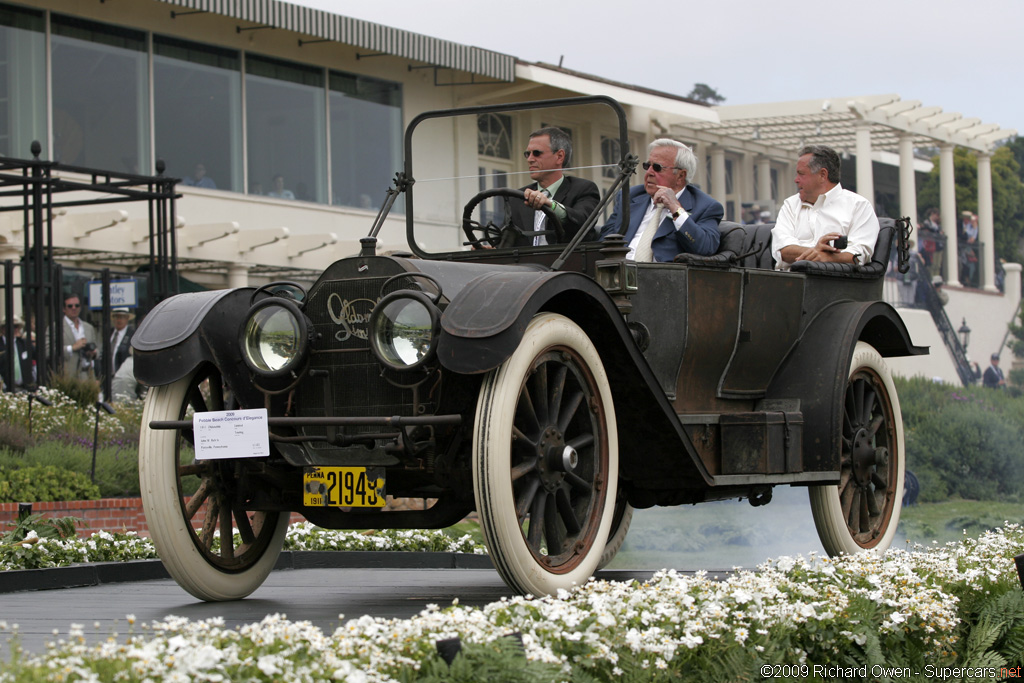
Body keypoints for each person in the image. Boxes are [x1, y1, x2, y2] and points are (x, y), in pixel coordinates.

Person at [599, 139, 722, 261]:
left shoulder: (706, 207)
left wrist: (676, 209)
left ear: (680, 176)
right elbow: (603, 242)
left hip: (662, 277)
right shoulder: (630, 197)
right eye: (647, 166)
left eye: (657, 167)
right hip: (618, 274)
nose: (649, 173)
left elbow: (705, 248)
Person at [771, 145, 880, 270]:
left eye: (801, 174)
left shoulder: (858, 206)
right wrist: (816, 251)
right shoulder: (790, 204)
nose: (796, 180)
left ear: (823, 175)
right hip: (792, 284)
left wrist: (827, 258)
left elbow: (858, 255)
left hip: (835, 285)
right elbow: (783, 250)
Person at [499, 127, 600, 248]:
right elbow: (507, 238)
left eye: (537, 153)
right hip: (525, 265)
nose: (530, 159)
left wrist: (550, 205)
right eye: (527, 154)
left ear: (559, 156)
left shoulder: (584, 189)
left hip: (564, 264)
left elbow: (583, 223)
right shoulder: (517, 197)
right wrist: (492, 249)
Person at [61, 293, 97, 380]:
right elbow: (48, 351)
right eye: (70, 306)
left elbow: (96, 348)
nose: (74, 308)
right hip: (68, 377)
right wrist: (72, 348)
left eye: (77, 305)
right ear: (64, 309)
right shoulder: (57, 327)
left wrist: (93, 352)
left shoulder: (88, 327)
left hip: (88, 376)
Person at [0, 316, 34, 391]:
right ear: (3, 328)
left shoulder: (23, 343)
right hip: (5, 390)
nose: (14, 329)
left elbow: (39, 356)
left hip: (24, 388)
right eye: (10, 326)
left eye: (16, 326)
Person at [103, 307, 135, 379]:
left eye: (122, 317)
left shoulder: (132, 335)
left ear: (127, 318)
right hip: (108, 378)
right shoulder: (109, 333)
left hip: (125, 377)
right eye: (116, 317)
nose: (119, 320)